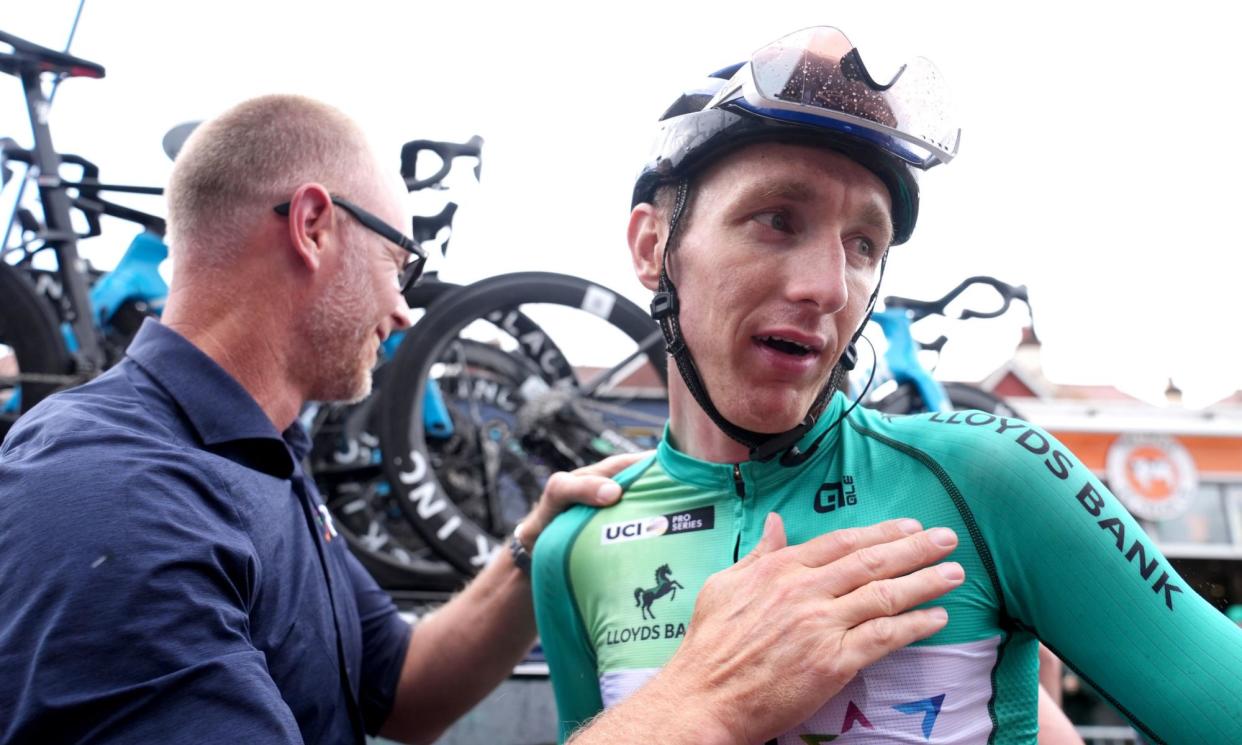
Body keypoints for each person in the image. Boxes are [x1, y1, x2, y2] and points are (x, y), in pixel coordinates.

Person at [0, 93, 965, 745]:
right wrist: (703, 699)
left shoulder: (257, 461)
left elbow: (404, 689)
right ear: (312, 226)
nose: (410, 309)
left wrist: (527, 551)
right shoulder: (112, 496)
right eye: (402, 263)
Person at [533, 26, 1242, 744]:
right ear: (654, 248)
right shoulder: (575, 545)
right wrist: (700, 700)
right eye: (777, 219)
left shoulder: (989, 476)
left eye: (863, 244)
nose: (829, 287)